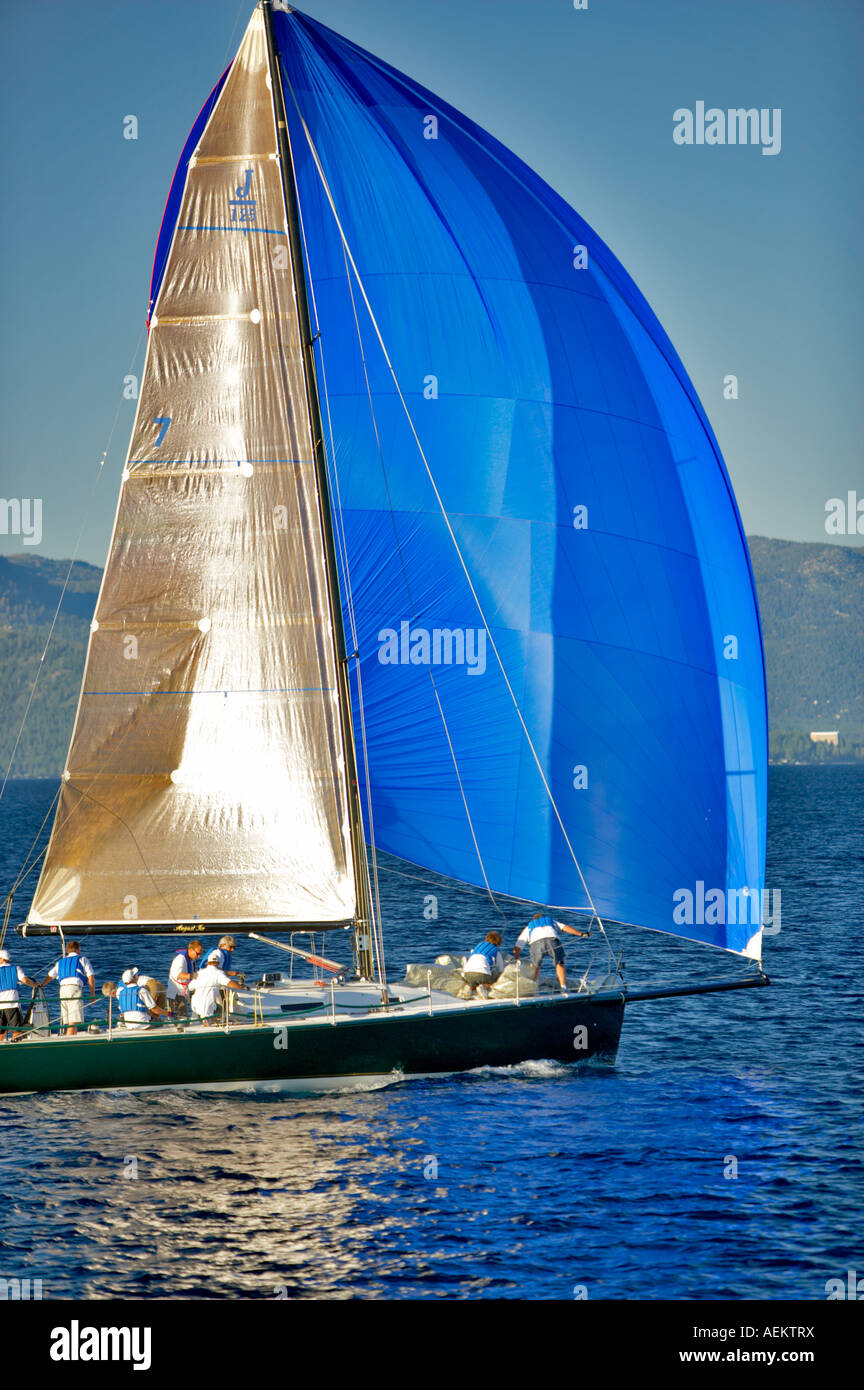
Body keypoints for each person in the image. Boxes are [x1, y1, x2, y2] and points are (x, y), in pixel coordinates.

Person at [513, 911, 590, 991]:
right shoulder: (551, 921)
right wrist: (581, 934)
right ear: (543, 918)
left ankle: (534, 986)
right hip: (553, 940)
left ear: (534, 920)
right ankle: (563, 987)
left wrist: (516, 959)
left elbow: (517, 946)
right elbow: (565, 928)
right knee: (559, 963)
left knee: (536, 966)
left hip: (536, 943)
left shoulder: (528, 927)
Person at [40, 941, 95, 1036]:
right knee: (73, 1021)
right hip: (74, 988)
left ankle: (73, 1038)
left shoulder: (60, 962)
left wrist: (42, 985)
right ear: (77, 949)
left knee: (70, 1019)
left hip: (62, 990)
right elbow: (91, 977)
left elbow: (50, 976)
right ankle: (68, 1039)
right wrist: (92, 994)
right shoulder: (82, 959)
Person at [188, 950, 239, 1024]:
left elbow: (190, 987)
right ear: (217, 964)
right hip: (208, 1007)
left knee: (218, 1008)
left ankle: (211, 1021)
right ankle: (214, 1023)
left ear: (207, 963)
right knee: (222, 1010)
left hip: (195, 1006)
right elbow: (229, 983)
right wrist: (241, 987)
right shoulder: (218, 973)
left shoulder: (199, 973)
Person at [0, 948, 38, 1042]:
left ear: (2, 959)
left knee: (1, 1031)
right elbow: (25, 980)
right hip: (12, 1003)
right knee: (17, 1030)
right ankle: (13, 1044)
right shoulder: (15, 968)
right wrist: (34, 984)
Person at [462, 931, 506, 999]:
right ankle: (483, 987)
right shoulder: (496, 951)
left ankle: (470, 987)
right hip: (482, 975)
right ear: (498, 942)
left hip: (467, 974)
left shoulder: (477, 948)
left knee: (474, 981)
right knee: (496, 976)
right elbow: (501, 969)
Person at [166, 940, 203, 1019]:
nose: (199, 956)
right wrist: (193, 975)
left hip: (184, 993)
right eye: (197, 953)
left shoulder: (191, 960)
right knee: (181, 1018)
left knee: (183, 1016)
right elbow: (178, 975)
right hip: (176, 994)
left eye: (200, 954)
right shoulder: (180, 959)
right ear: (190, 950)